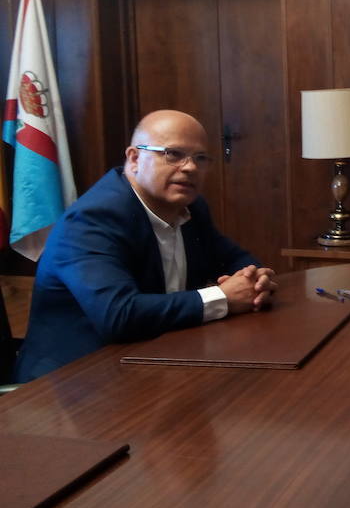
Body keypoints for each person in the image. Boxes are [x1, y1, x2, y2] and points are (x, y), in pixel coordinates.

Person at [14, 110, 277, 382]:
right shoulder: (92, 220)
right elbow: (119, 315)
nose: (190, 167)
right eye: (173, 154)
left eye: (200, 158)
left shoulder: (191, 208)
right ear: (135, 158)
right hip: (71, 386)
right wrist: (223, 298)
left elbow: (234, 258)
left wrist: (256, 279)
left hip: (154, 364)